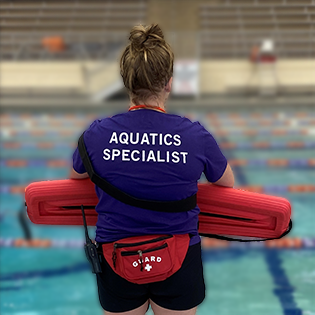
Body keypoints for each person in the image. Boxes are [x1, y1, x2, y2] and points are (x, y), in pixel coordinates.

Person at [70, 24, 234, 315]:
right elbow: (226, 183)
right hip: (179, 256)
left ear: (127, 83)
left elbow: (77, 175)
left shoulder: (96, 134)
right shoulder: (195, 135)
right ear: (169, 82)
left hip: (116, 256)